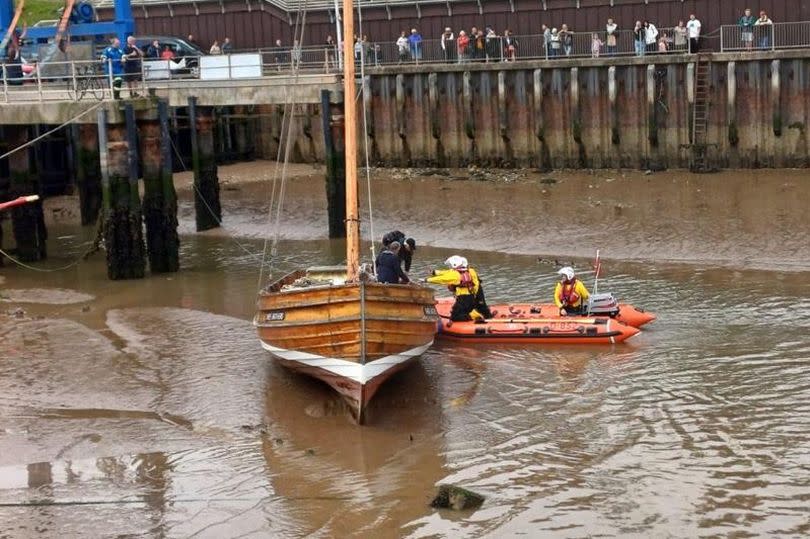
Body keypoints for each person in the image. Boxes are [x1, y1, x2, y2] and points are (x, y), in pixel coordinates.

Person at [427, 256, 493, 322]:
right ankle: (482, 315)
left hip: (473, 292)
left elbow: (443, 279)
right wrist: (435, 272)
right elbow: (447, 273)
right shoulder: (461, 272)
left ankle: (483, 316)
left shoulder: (468, 272)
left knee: (481, 305)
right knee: (471, 307)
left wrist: (427, 280)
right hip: (470, 293)